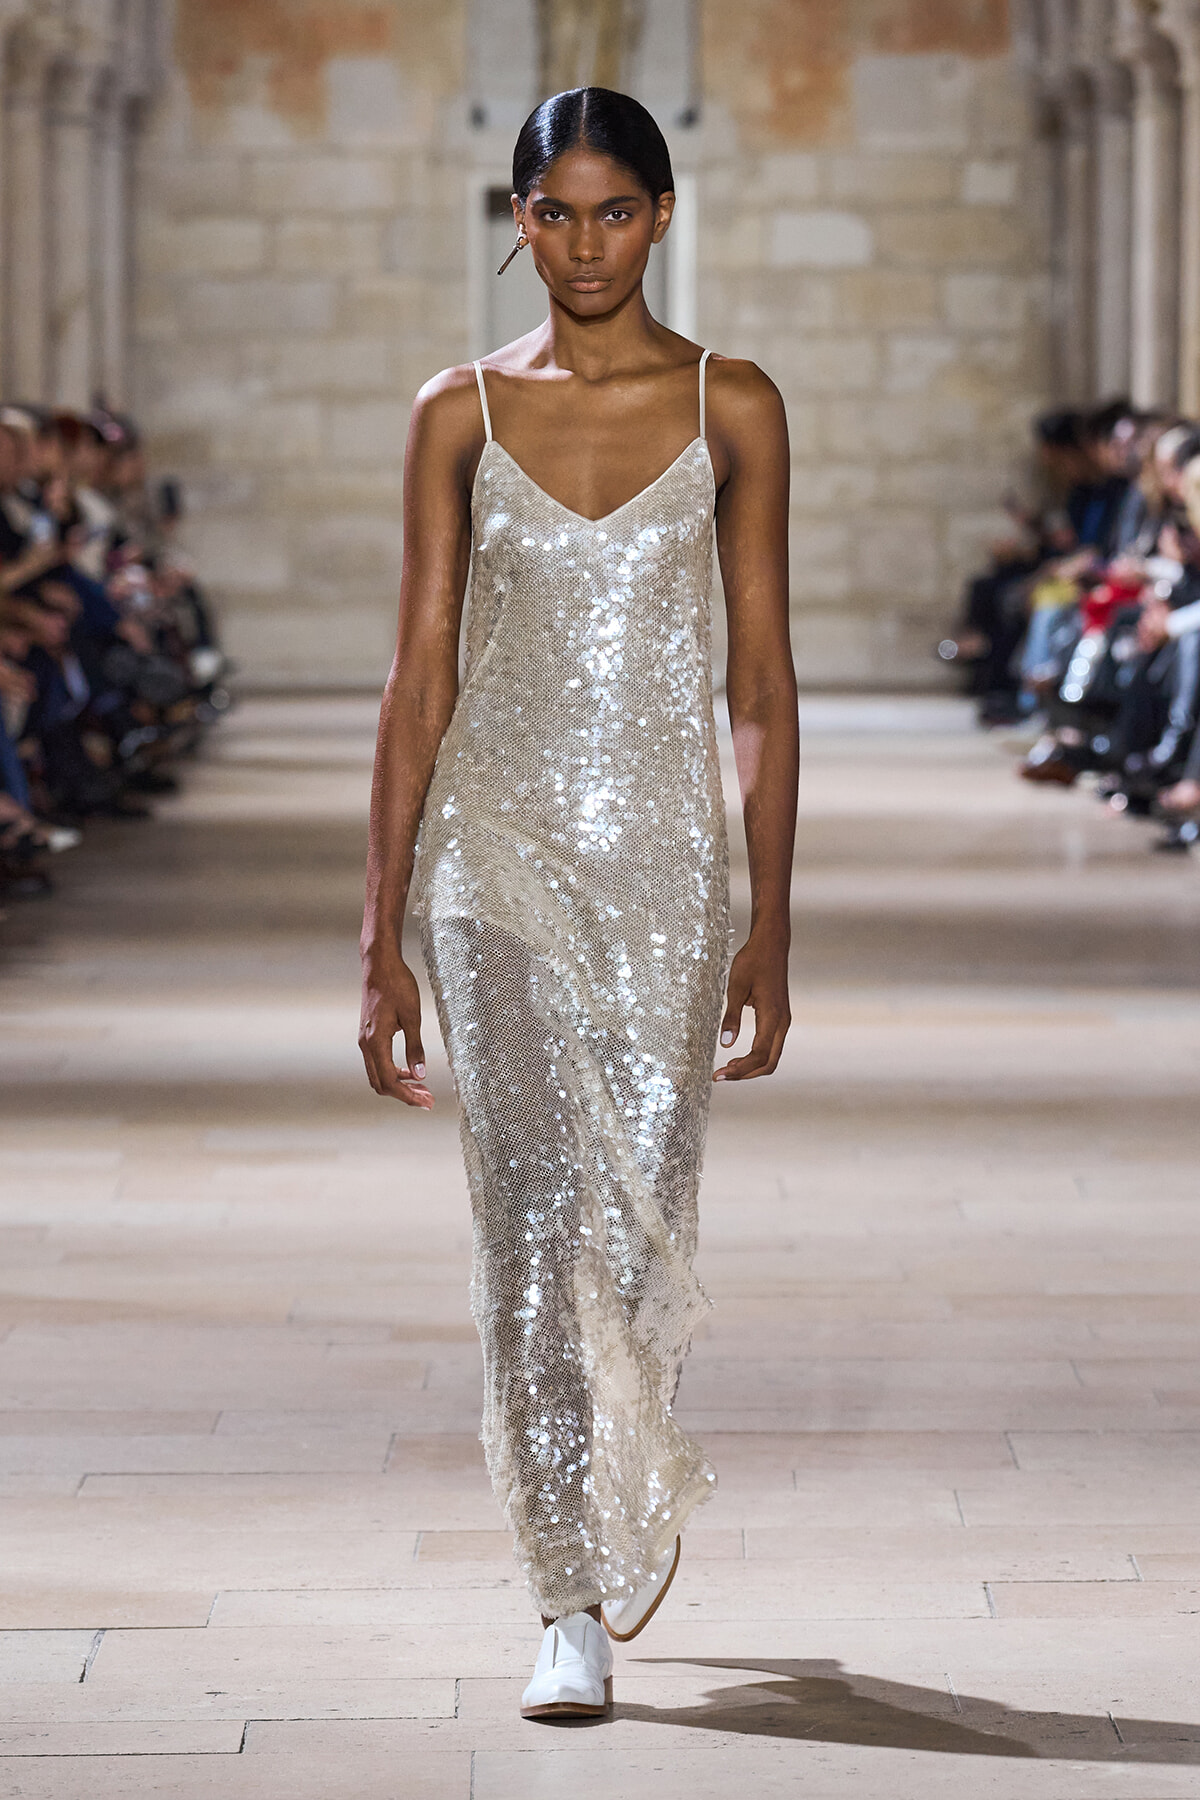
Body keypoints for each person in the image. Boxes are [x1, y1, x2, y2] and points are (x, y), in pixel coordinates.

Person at [359, 86, 798, 1720]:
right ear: (519, 223)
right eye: (557, 213)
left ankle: (628, 1472)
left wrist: (769, 914)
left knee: (635, 1219)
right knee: (529, 1222)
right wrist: (383, 927)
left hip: (673, 869)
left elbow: (760, 675)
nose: (587, 243)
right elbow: (419, 680)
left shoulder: (732, 403)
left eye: (617, 211)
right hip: (494, 857)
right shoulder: (456, 411)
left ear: (664, 216)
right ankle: (565, 1592)